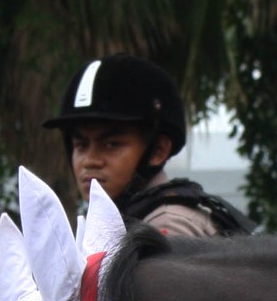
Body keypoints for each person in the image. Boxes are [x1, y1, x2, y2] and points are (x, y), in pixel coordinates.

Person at [44, 54, 253, 238]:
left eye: (111, 144)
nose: (90, 161)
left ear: (158, 151)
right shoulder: (126, 221)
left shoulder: (167, 227)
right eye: (81, 145)